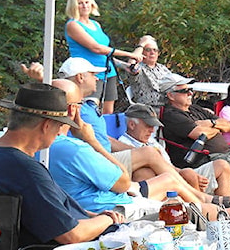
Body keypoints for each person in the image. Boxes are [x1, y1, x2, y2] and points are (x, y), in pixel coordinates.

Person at [0, 82, 125, 250]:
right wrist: (107, 218)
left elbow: (46, 213)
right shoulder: (25, 170)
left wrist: (92, 216)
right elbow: (72, 235)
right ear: (46, 125)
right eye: (60, 125)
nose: (60, 132)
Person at [47, 79, 225, 220]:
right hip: (117, 211)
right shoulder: (75, 149)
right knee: (210, 210)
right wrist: (91, 140)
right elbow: (122, 183)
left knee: (181, 176)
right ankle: (212, 212)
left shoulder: (44, 149)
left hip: (111, 201)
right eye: (81, 104)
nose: (151, 130)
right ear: (73, 110)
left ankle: (204, 203)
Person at [56, 57, 187, 186]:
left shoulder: (87, 107)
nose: (97, 78)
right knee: (150, 154)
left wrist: (135, 151)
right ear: (80, 77)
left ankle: (185, 195)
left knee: (146, 171)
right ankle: (192, 190)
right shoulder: (72, 108)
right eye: (93, 74)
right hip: (96, 160)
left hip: (106, 155)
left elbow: (105, 139)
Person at [159, 74, 230, 186]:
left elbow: (228, 126)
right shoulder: (172, 115)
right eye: (184, 91)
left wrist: (210, 123)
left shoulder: (195, 109)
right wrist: (217, 128)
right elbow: (201, 134)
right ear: (170, 96)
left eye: (190, 90)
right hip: (206, 158)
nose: (190, 93)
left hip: (227, 152)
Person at [119, 104, 230, 205]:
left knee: (222, 165)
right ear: (132, 125)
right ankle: (202, 209)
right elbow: (151, 173)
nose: (152, 130)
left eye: (153, 126)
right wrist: (183, 173)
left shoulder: (151, 141)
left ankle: (222, 209)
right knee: (188, 174)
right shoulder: (124, 146)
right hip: (163, 184)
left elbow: (167, 165)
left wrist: (182, 171)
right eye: (148, 126)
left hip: (175, 175)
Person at [63, 0, 144, 115]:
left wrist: (123, 65)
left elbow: (105, 53)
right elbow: (96, 48)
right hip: (88, 74)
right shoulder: (73, 25)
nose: (84, 5)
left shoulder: (95, 24)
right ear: (73, 6)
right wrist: (130, 55)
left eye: (87, 2)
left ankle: (104, 134)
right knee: (89, 109)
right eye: (80, 3)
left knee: (108, 111)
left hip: (108, 71)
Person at [128, 35, 173, 110]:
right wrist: (141, 45)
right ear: (141, 53)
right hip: (147, 109)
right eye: (148, 50)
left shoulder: (163, 69)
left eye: (155, 50)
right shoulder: (138, 68)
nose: (152, 52)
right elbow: (130, 66)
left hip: (168, 107)